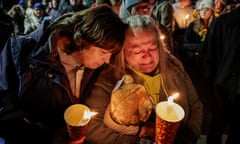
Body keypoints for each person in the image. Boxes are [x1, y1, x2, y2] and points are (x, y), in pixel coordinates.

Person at [0, 6, 126, 144]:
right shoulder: (20, 51)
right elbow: (4, 113)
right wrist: (49, 138)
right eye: (103, 53)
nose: (107, 60)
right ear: (83, 39)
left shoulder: (93, 67)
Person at [82, 14, 203, 144]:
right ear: (122, 51)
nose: (147, 57)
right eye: (137, 51)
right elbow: (92, 130)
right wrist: (135, 140)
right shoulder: (109, 80)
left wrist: (190, 134)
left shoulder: (174, 67)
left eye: (152, 48)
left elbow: (195, 105)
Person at [203, 0, 240, 143]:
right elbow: (209, 59)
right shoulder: (223, 23)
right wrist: (212, 88)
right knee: (216, 127)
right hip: (223, 89)